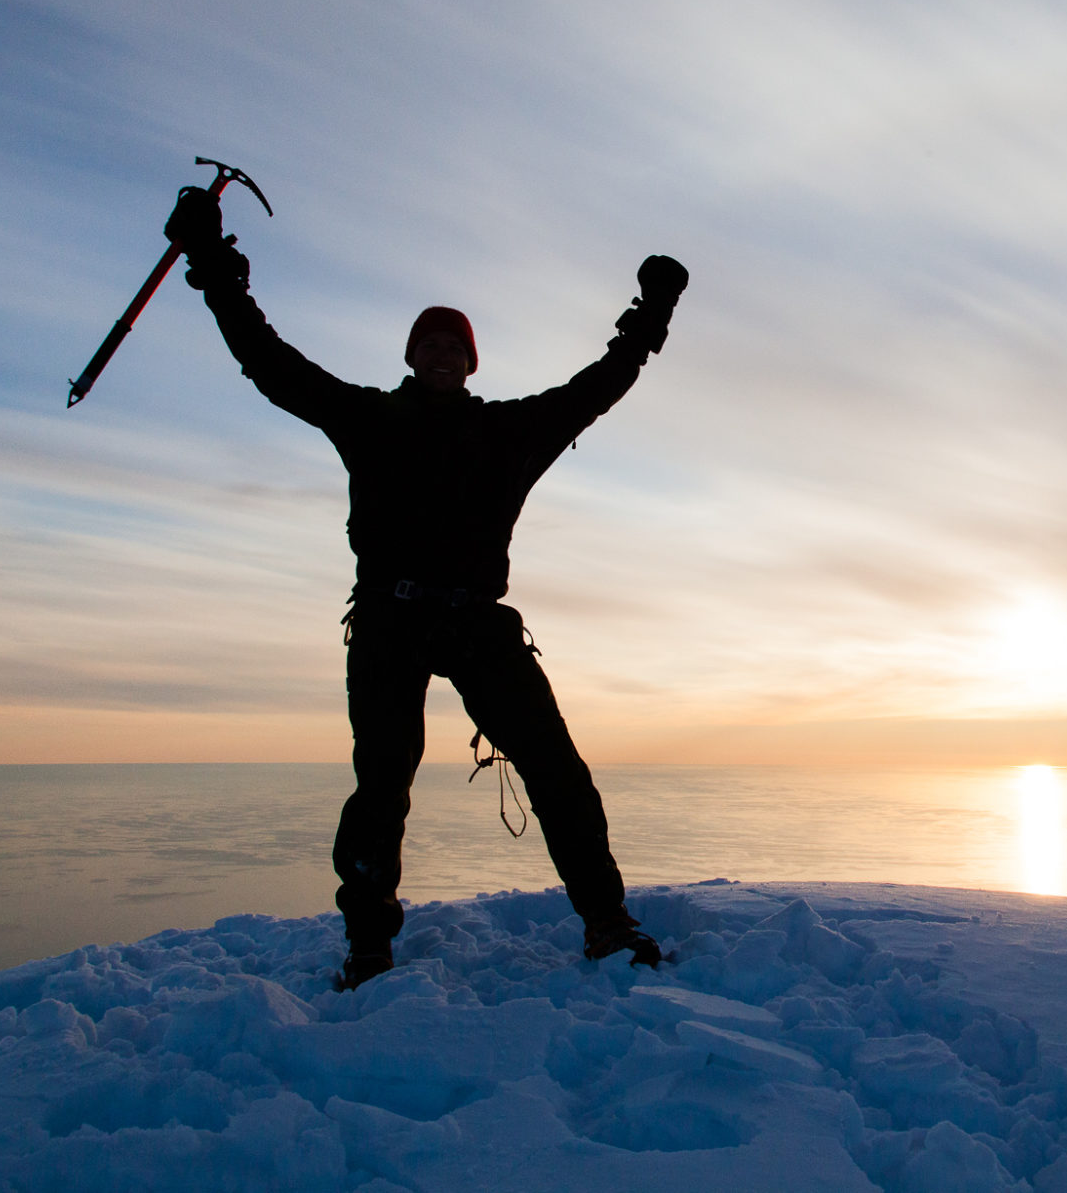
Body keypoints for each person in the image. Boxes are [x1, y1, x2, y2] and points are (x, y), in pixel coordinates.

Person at [164, 184, 685, 988]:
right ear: (412, 358)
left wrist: (649, 318)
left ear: (470, 363)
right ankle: (368, 943)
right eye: (430, 346)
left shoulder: (507, 432)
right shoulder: (369, 418)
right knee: (382, 782)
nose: (442, 356)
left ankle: (608, 923)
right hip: (388, 621)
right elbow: (270, 363)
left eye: (455, 348)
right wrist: (214, 264)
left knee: (555, 767)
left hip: (478, 622)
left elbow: (595, 389)